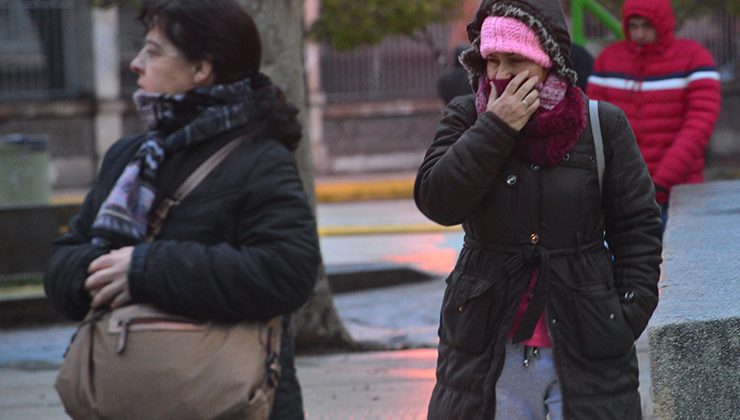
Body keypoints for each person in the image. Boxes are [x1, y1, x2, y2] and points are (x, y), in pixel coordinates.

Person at [43, 1, 320, 419]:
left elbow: (286, 270)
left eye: (153, 52)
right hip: (127, 397)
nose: (136, 64)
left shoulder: (260, 158)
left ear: (200, 69)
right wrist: (97, 273)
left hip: (230, 402)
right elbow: (63, 262)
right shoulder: (129, 157)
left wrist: (145, 270)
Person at [414, 0, 663, 419]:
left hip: (587, 345)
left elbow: (637, 228)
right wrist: (495, 128)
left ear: (549, 62)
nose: (499, 74)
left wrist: (624, 317)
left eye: (515, 60)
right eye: (491, 60)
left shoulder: (601, 125)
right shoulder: (466, 117)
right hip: (487, 347)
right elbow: (437, 200)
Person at [587, 0, 721, 228]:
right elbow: (595, 120)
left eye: (647, 26)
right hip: (624, 192)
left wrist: (662, 180)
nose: (639, 33)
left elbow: (699, 124)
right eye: (633, 26)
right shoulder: (608, 60)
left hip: (677, 191)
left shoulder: (694, 58)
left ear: (663, 24)